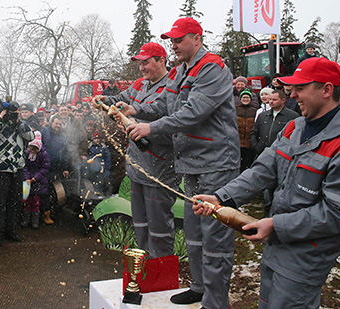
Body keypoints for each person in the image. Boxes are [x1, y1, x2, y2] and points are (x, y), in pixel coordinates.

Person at [193, 57, 340, 308]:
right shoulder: (295, 127)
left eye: (301, 88)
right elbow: (263, 169)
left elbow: (339, 213)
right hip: (277, 245)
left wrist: (277, 225)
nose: (293, 94)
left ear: (326, 90)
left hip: (306, 255)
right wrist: (222, 197)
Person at [118, 17, 241, 308]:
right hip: (190, 163)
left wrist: (151, 128)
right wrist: (136, 108)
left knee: (214, 237)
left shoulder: (212, 67)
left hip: (215, 162)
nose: (174, 46)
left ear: (197, 38)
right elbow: (165, 105)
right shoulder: (178, 71)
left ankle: (216, 301)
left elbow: (194, 112)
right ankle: (199, 287)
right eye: (171, 41)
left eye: (179, 40)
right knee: (195, 233)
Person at [92, 42, 179, 258]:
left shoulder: (173, 85)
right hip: (136, 165)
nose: (142, 68)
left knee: (159, 226)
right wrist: (104, 100)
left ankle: (161, 269)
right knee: (139, 222)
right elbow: (122, 98)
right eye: (140, 63)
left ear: (161, 60)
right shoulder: (140, 84)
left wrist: (137, 110)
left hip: (160, 166)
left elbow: (162, 110)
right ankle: (142, 265)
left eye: (146, 62)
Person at [0, 102, 35, 247]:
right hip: (2, 170)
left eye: (15, 111)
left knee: (15, 202)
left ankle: (11, 230)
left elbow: (31, 136)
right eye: (10, 112)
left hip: (17, 169)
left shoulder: (21, 125)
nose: (12, 114)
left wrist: (18, 121)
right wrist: (0, 120)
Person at [41, 116, 71, 224]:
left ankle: (55, 213)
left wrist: (65, 168)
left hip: (56, 168)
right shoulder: (44, 133)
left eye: (59, 124)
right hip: (44, 168)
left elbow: (65, 153)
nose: (58, 126)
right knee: (44, 191)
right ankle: (44, 214)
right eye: (56, 123)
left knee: (56, 192)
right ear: (51, 122)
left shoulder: (62, 137)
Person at [22, 132, 50, 229]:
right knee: (27, 202)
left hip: (39, 182)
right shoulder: (27, 154)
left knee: (36, 202)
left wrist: (35, 177)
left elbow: (45, 168)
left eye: (35, 149)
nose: (32, 151)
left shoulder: (43, 155)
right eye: (31, 148)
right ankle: (25, 219)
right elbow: (25, 166)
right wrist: (27, 177)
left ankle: (35, 221)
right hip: (28, 181)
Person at [236, 89, 257, 172]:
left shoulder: (255, 110)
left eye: (247, 97)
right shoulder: (236, 109)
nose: (245, 99)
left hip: (249, 144)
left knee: (247, 164)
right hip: (238, 143)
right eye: (243, 97)